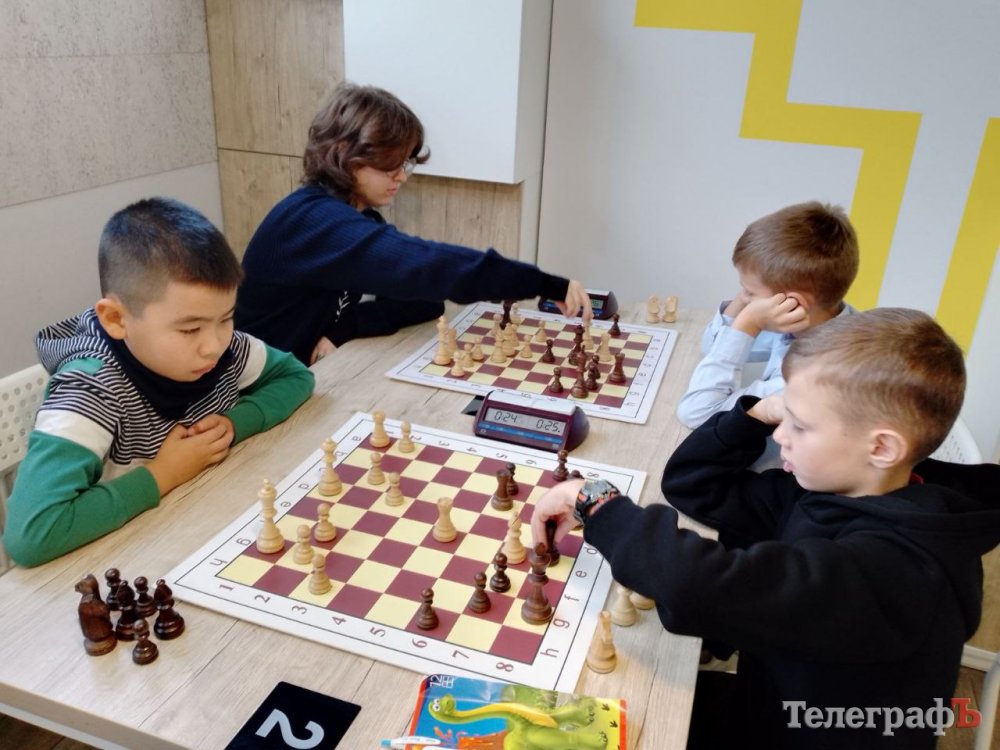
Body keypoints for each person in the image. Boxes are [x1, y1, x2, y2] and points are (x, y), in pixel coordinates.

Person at [532, 309, 1000, 749]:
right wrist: (759, 413)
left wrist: (594, 502)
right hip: (769, 703)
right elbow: (695, 486)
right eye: (783, 415)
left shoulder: (896, 571)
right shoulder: (838, 489)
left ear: (881, 448)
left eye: (800, 425)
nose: (779, 435)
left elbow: (697, 586)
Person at [3, 198, 315, 567]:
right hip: (115, 563)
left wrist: (234, 424)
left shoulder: (225, 347)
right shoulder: (91, 388)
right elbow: (31, 535)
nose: (214, 345)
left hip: (198, 529)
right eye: (190, 329)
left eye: (226, 318)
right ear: (116, 319)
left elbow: (296, 376)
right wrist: (163, 474)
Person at [235, 82, 592, 366]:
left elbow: (426, 299)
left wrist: (346, 327)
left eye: (405, 163)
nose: (402, 176)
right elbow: (431, 266)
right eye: (390, 163)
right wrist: (545, 284)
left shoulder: (358, 218)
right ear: (345, 153)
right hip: (250, 392)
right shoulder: (312, 222)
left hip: (304, 378)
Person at [676, 201, 859, 430]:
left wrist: (748, 322)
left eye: (750, 293)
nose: (744, 299)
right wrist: (746, 298)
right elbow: (710, 348)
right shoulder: (814, 320)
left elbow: (697, 413)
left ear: (793, 303)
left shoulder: (812, 377)